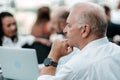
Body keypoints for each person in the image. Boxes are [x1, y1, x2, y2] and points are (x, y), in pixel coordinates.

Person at [38, 2, 120, 80]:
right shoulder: (117, 52)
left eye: (69, 25)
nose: (65, 30)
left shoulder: (77, 66)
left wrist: (53, 56)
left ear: (84, 30)